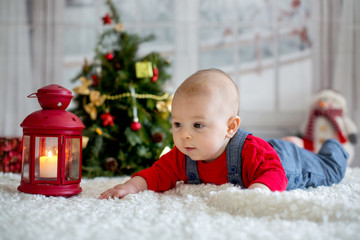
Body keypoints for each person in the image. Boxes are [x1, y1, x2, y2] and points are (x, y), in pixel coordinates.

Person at [99, 68, 349, 199]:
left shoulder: (248, 151)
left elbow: (274, 173)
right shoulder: (183, 155)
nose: (185, 135)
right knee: (272, 149)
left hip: (283, 162)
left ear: (231, 127)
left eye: (197, 125)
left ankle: (332, 145)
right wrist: (130, 186)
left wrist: (259, 191)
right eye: (177, 125)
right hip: (268, 150)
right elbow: (156, 174)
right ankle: (288, 142)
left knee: (330, 171)